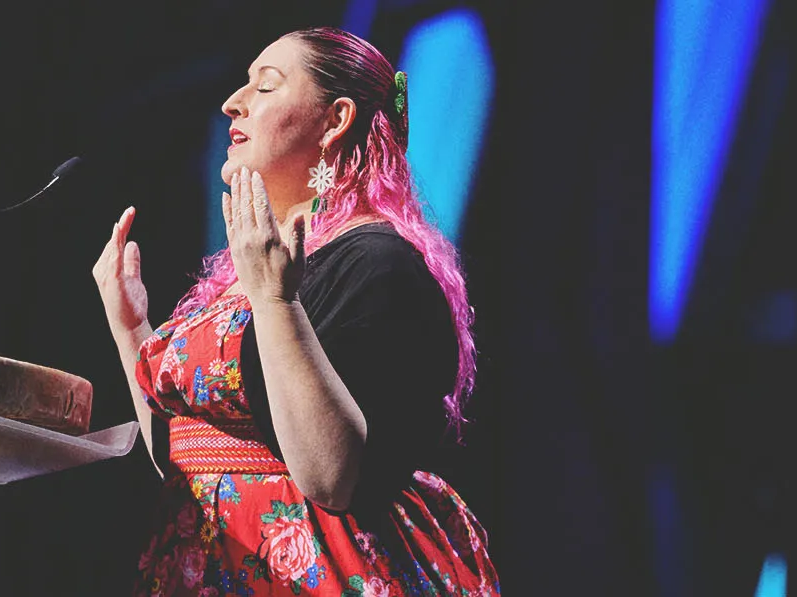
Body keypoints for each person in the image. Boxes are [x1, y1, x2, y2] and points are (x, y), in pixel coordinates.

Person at [92, 27, 500, 597]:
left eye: (266, 85)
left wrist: (275, 299)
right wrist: (129, 321)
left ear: (334, 120)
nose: (233, 101)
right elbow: (184, 458)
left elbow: (332, 479)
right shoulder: (247, 272)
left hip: (305, 577)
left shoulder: (377, 263)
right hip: (204, 563)